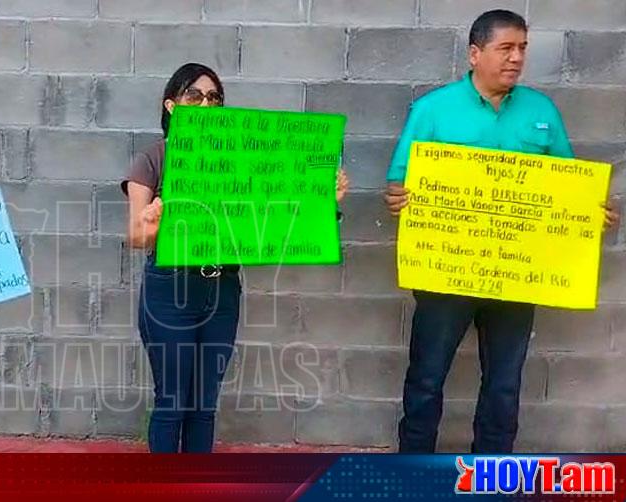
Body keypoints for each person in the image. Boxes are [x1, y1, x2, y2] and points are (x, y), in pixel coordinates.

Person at [383, 10, 620, 453]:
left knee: (504, 386)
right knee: (426, 380)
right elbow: (399, 182)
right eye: (505, 48)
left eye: (523, 49)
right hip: (445, 275)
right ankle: (412, 472)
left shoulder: (541, 110)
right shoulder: (433, 109)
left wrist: (594, 213)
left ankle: (491, 473)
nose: (516, 58)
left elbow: (568, 187)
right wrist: (397, 197)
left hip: (516, 277)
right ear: (475, 54)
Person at [123, 63, 349, 453]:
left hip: (222, 287)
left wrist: (324, 200)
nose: (207, 103)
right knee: (172, 401)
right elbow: (136, 236)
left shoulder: (239, 158)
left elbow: (276, 216)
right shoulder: (153, 159)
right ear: (173, 105)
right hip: (170, 289)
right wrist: (158, 221)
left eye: (215, 97)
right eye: (195, 95)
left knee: (204, 405)